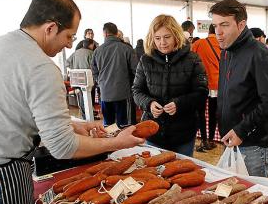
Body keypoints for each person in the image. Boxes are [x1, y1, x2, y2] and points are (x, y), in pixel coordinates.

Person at [0, 0, 144, 204]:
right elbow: (62, 147)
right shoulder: (41, 67)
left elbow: (12, 110)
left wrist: (74, 126)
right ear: (50, 27)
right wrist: (117, 142)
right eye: (69, 36)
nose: (68, 45)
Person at [210, 0, 268, 177]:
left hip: (253, 145)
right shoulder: (227, 52)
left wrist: (242, 129)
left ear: (241, 24)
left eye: (224, 25)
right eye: (215, 26)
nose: (218, 32)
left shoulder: (260, 53)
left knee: (251, 199)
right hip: (231, 140)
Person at [132, 15, 208, 157]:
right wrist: (149, 103)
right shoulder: (145, 60)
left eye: (167, 37)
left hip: (184, 133)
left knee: (181, 173)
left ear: (176, 36)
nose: (162, 43)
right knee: (155, 173)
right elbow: (137, 91)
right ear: (151, 38)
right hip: (153, 132)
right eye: (157, 38)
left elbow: (201, 92)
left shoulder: (192, 59)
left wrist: (179, 104)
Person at [92, 22, 137, 127]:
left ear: (105, 34)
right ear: (117, 33)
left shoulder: (97, 51)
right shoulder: (127, 49)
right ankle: (126, 144)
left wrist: (101, 82)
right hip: (123, 93)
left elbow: (94, 71)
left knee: (109, 126)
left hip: (105, 94)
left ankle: (112, 143)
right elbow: (136, 70)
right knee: (126, 126)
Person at [192, 24, 220, 152]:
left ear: (208, 31)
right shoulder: (222, 43)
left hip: (201, 83)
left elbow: (190, 59)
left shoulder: (198, 43)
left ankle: (203, 141)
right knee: (213, 113)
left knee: (201, 113)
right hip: (218, 84)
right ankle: (211, 140)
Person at [66, 39, 95, 119]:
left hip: (77, 80)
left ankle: (84, 117)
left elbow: (66, 63)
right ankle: (90, 117)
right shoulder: (91, 53)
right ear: (91, 45)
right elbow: (94, 66)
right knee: (88, 99)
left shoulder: (76, 52)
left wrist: (74, 69)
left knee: (81, 99)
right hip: (88, 79)